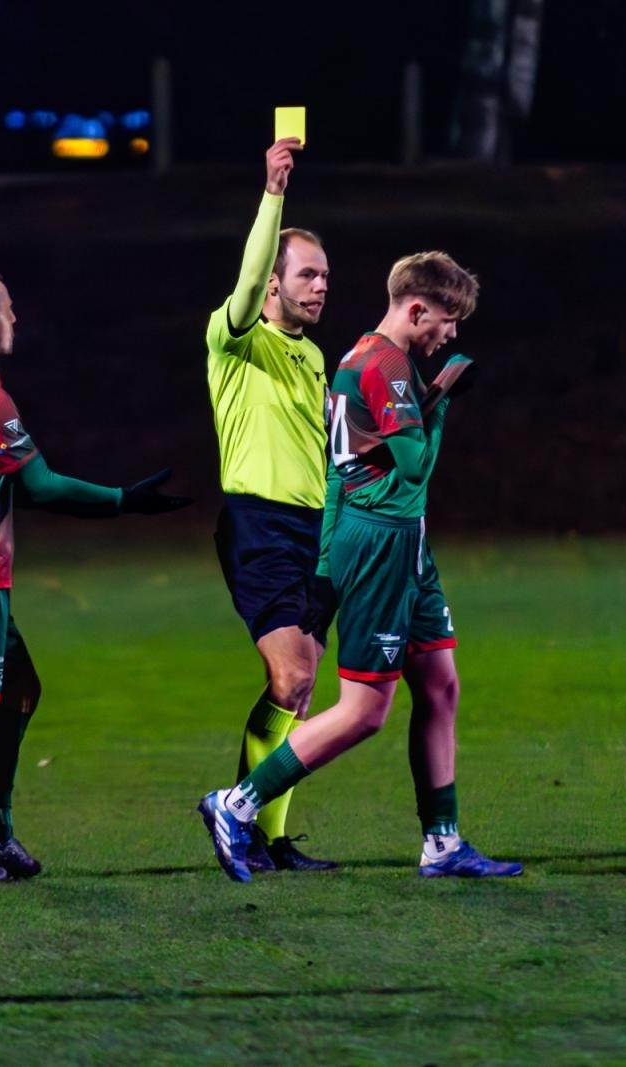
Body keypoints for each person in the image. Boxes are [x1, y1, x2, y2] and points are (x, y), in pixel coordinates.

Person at [199, 251, 521, 882]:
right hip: (380, 544)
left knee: (440, 682)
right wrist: (445, 397)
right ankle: (236, 805)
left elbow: (339, 471)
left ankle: (442, 842)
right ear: (417, 308)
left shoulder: (352, 357)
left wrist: (322, 564)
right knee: (364, 710)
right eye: (446, 320)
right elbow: (414, 466)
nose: (449, 335)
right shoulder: (386, 366)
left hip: (400, 538)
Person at [0, 263, 189, 884]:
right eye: (8, 308)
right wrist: (123, 501)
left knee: (20, 691)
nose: (15, 318)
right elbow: (40, 486)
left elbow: (6, 484)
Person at [205, 137, 338, 873]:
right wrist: (273, 193)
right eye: (308, 275)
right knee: (290, 676)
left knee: (300, 687)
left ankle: (269, 836)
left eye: (325, 276)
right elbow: (248, 277)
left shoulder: (313, 355)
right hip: (258, 524)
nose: (321, 287)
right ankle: (239, 811)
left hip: (317, 530)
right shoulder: (233, 341)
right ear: (275, 286)